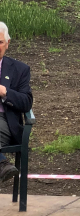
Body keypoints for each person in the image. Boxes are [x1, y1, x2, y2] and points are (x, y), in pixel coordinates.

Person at [0, 22, 33, 183]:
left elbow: (26, 103)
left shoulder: (20, 69)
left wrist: (4, 92)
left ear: (7, 43)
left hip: (5, 120)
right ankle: (2, 163)